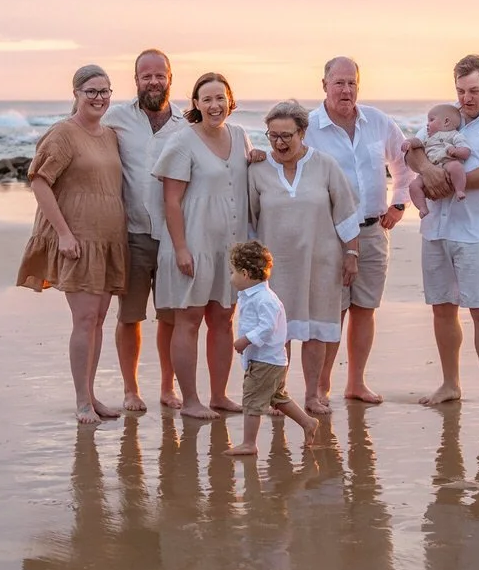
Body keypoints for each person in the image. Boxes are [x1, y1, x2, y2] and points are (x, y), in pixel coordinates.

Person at [402, 54, 479, 418]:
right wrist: (428, 171)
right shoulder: (447, 116)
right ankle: (450, 384)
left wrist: (448, 182)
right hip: (437, 228)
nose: (466, 98)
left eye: (474, 90)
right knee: (442, 308)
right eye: (460, 90)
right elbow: (414, 153)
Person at [17, 64, 129, 424]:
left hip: (108, 238)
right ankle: (82, 401)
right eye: (92, 92)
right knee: (83, 319)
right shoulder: (63, 134)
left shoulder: (110, 135)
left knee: (97, 320)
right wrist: (63, 233)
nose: (99, 98)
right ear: (76, 95)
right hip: (78, 239)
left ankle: (92, 395)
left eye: (105, 91)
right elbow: (38, 181)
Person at [305, 56, 409, 406]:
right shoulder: (309, 127)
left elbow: (403, 161)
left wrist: (399, 202)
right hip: (329, 234)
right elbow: (287, 166)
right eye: (338, 83)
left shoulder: (377, 122)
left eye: (351, 83)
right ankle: (320, 387)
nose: (345, 90)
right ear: (324, 85)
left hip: (372, 229)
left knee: (365, 308)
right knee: (332, 310)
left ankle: (356, 383)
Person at [152, 72, 257, 420]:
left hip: (229, 246)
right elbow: (171, 202)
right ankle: (191, 400)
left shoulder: (241, 136)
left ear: (230, 100)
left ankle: (219, 395)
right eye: (207, 99)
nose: (215, 105)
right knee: (190, 318)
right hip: (193, 243)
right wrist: (181, 249)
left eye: (220, 98)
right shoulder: (183, 141)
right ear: (195, 104)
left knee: (224, 318)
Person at [248, 99, 361, 416]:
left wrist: (351, 253)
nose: (280, 143)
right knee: (275, 335)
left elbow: (346, 215)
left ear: (302, 133)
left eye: (287, 135)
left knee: (314, 332)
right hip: (274, 268)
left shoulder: (325, 165)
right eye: (273, 136)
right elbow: (249, 221)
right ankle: (276, 396)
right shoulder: (257, 170)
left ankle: (313, 395)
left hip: (320, 263)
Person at [103, 48, 188, 411]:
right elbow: (77, 133)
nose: (153, 81)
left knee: (169, 316)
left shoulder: (188, 123)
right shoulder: (115, 117)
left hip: (174, 237)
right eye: (145, 76)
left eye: (159, 75)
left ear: (170, 78)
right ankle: (131, 390)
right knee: (130, 316)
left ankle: (168, 388)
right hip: (133, 234)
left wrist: (256, 156)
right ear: (135, 80)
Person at [225, 240, 319, 455]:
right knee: (278, 397)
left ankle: (249, 443)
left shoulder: (265, 299)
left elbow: (266, 327)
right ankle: (307, 422)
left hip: (265, 360)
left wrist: (245, 340)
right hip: (269, 359)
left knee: (252, 400)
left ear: (245, 274)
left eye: (233, 272)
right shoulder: (253, 296)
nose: (231, 278)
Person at [404, 103, 471, 215]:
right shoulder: (427, 135)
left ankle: (459, 190)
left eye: (431, 120)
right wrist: (409, 142)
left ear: (446, 122)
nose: (427, 123)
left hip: (447, 162)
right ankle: (422, 207)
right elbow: (417, 143)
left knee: (456, 167)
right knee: (413, 186)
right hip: (430, 166)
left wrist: (456, 151)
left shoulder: (454, 135)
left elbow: (466, 152)